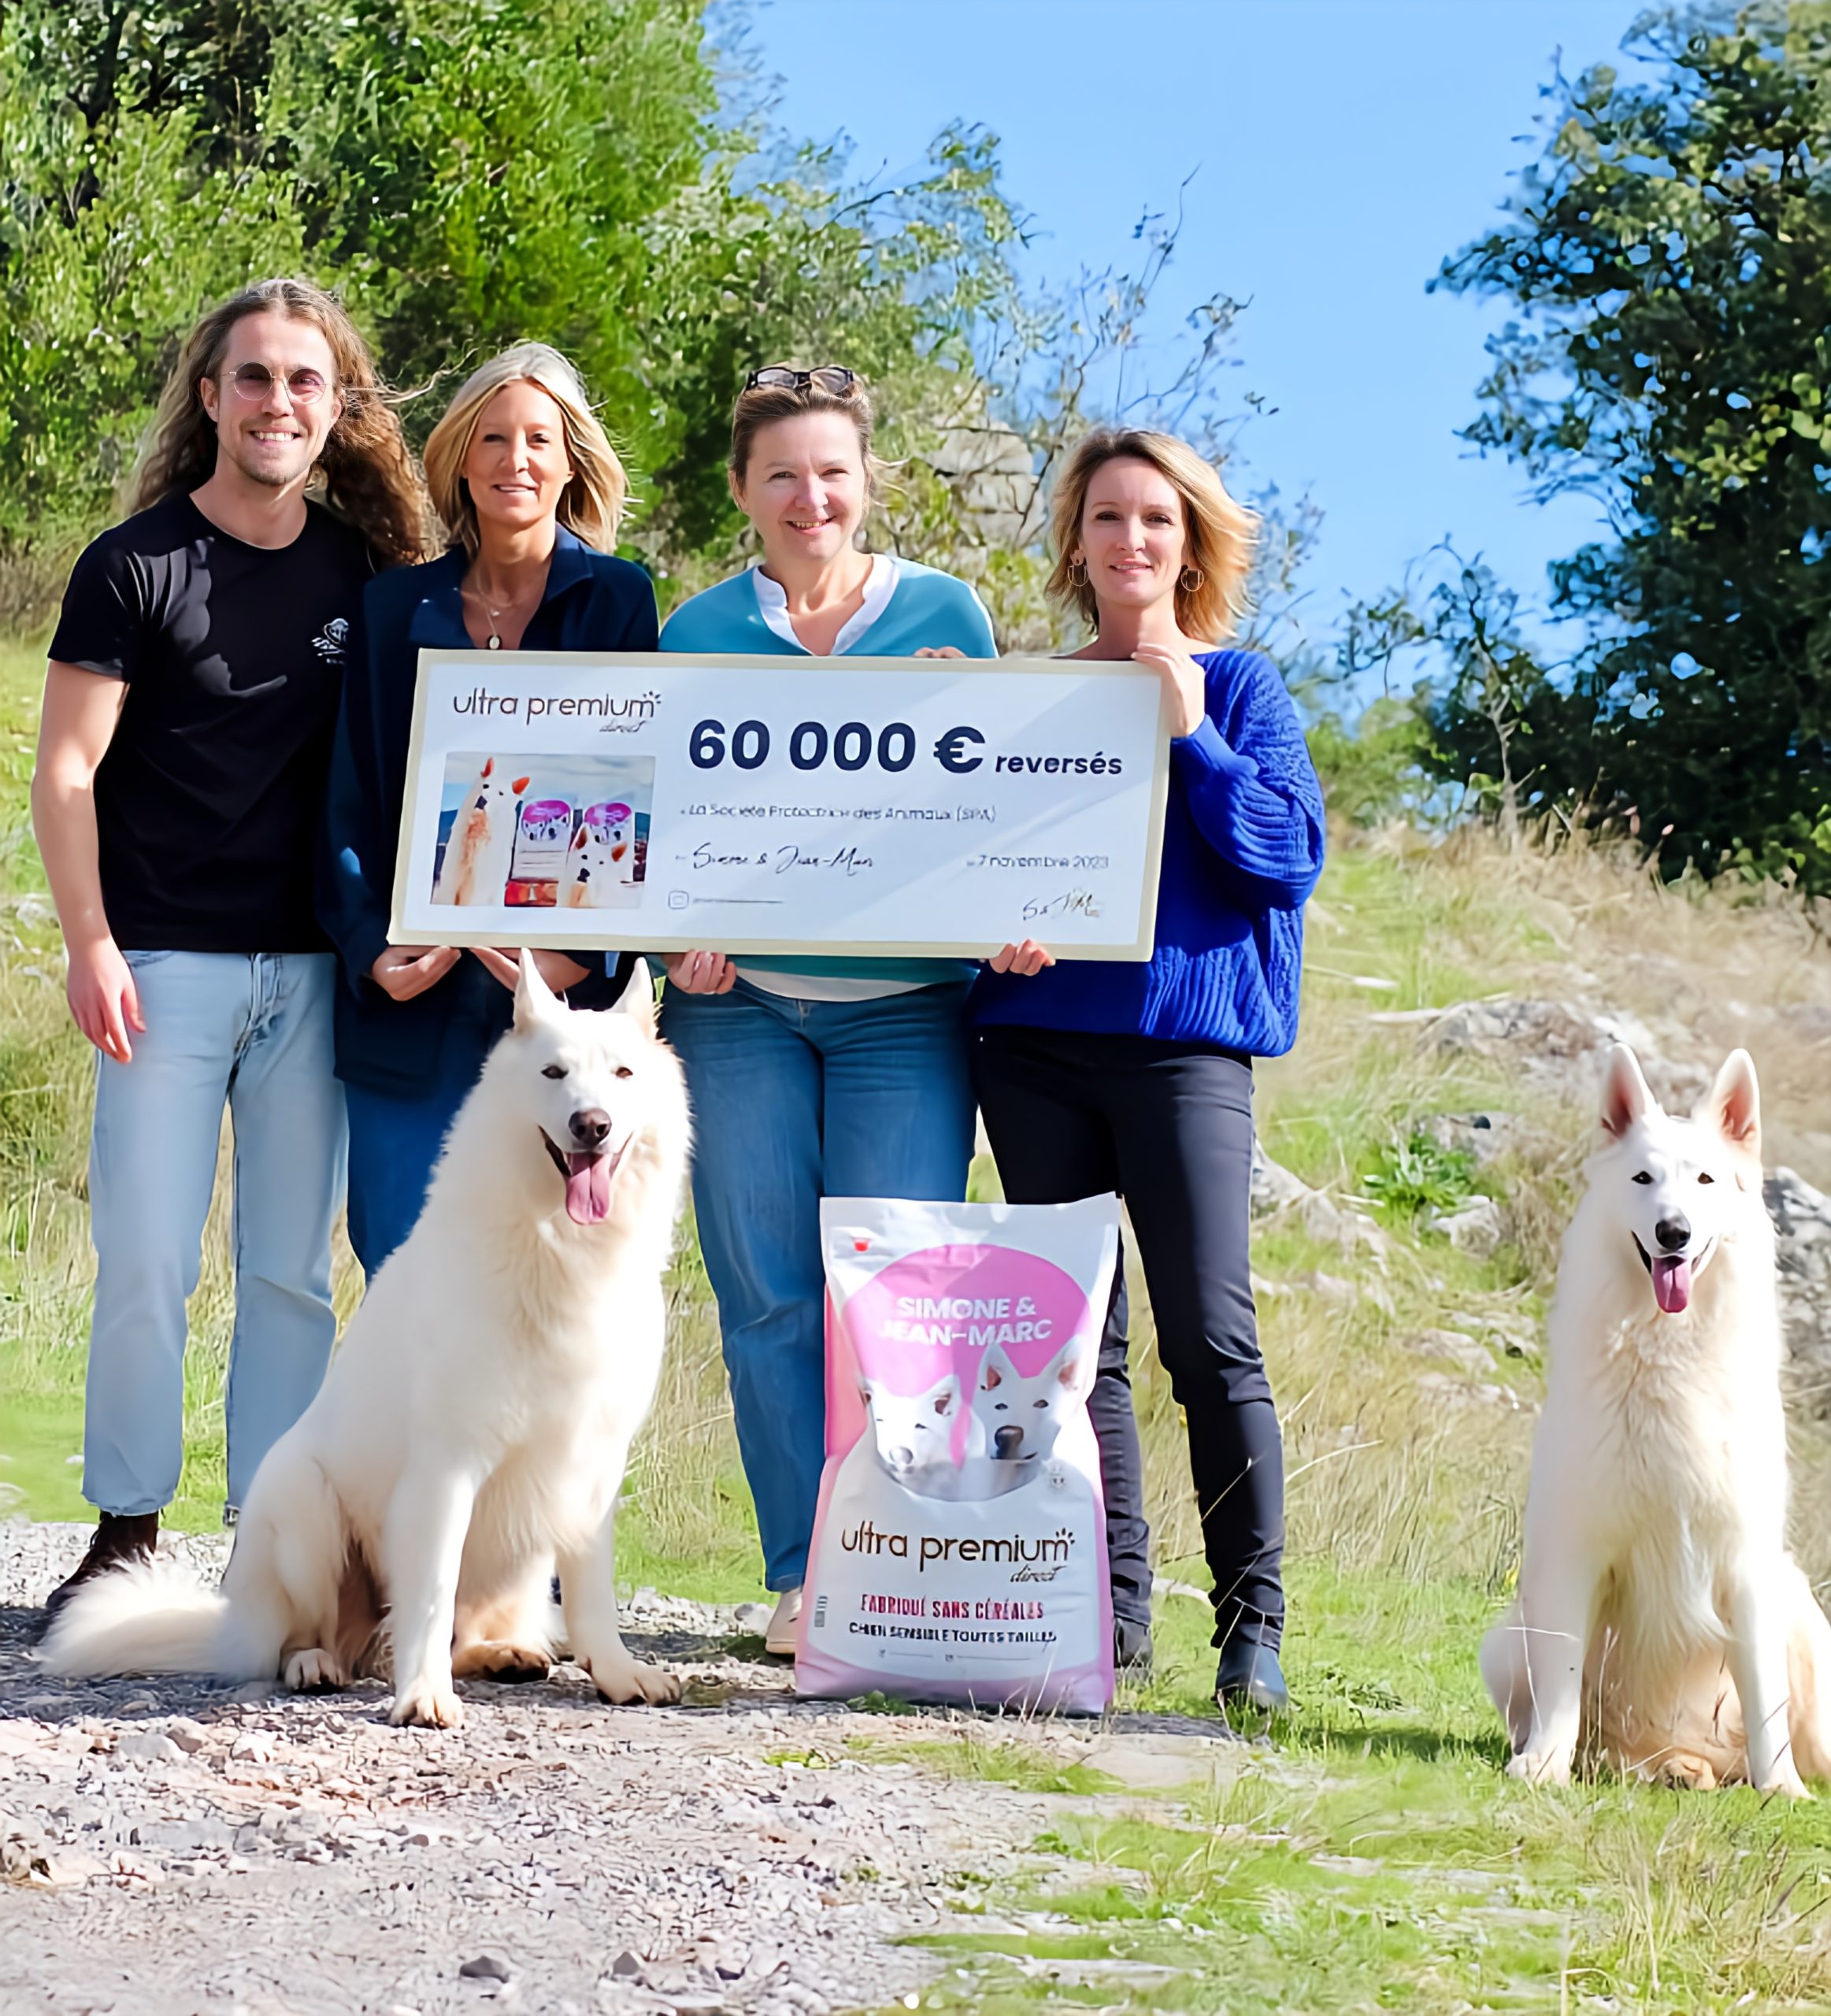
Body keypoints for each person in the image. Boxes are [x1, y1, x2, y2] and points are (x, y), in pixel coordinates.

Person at [32, 279, 426, 1616]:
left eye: (303, 383)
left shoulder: (365, 582)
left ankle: (275, 1540)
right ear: (211, 398)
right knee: (146, 1256)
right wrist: (91, 945)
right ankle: (127, 1529)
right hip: (161, 971)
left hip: (312, 981)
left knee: (288, 1272)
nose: (277, 403)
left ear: (335, 408)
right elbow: (68, 774)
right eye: (253, 378)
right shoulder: (132, 566)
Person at [969, 427, 1326, 1716]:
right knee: (1079, 1349)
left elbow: (1288, 857)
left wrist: (1192, 736)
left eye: (1157, 522)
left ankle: (1253, 1639)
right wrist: (988, 941)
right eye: (1109, 518)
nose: (1132, 541)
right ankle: (1110, 1626)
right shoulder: (1035, 700)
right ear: (1077, 542)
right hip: (1037, 1050)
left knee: (1211, 1341)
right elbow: (974, 865)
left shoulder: (1240, 690)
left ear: (1191, 545)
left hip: (1185, 1054)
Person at [658, 364, 1006, 1655]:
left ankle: (900, 1568)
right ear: (745, 491)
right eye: (785, 475)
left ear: (869, 484)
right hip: (734, 1012)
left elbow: (992, 816)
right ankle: (807, 1575)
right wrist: (670, 941)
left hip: (904, 1013)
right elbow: (665, 825)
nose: (813, 497)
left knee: (899, 1297)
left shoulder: (945, 614)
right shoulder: (694, 634)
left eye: (835, 472)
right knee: (765, 1299)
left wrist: (1023, 910)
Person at [318, 343, 656, 1277]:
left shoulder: (620, 602)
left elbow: (634, 804)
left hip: (566, 1021)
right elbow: (354, 797)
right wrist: (371, 952)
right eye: (494, 438)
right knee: (405, 1271)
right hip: (410, 1009)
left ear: (570, 460)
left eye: (539, 439)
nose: (516, 459)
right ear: (460, 458)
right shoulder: (391, 608)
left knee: (554, 1287)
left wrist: (573, 958)